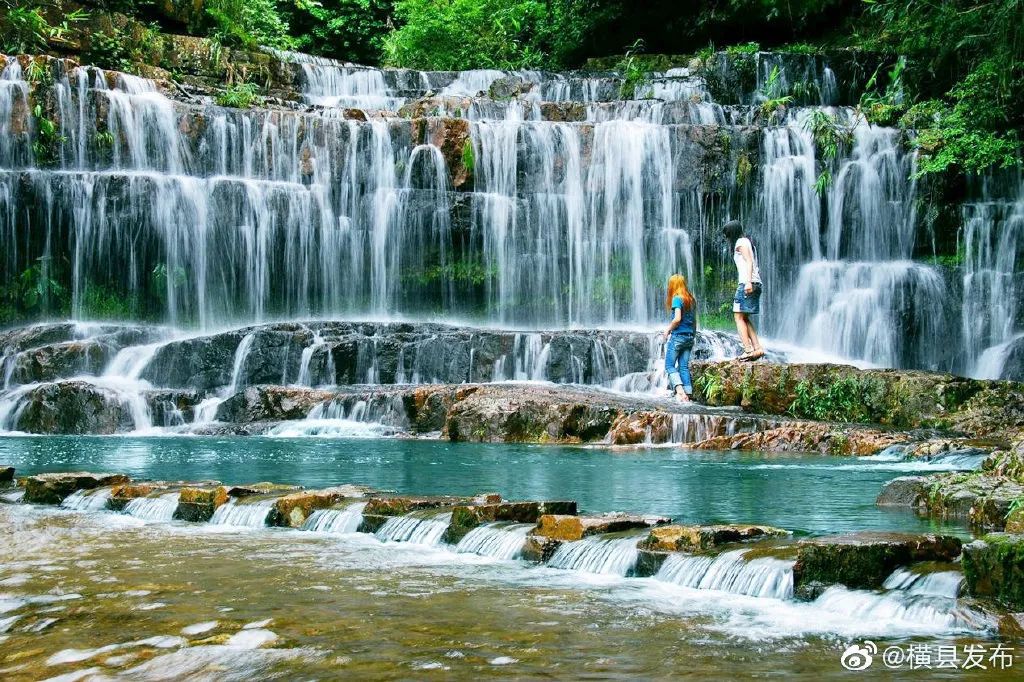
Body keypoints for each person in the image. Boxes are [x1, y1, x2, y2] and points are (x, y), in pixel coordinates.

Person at [722, 220, 764, 361]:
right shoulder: (748, 242)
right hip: (756, 282)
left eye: (727, 234)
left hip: (748, 283)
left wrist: (747, 283)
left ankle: (747, 349)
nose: (726, 238)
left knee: (738, 317)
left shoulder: (740, 243)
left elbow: (749, 262)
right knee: (744, 317)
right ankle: (757, 348)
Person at [662, 273, 697, 402]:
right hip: (689, 337)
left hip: (678, 337)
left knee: (670, 366)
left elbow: (677, 319)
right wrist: (692, 335)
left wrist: (667, 330)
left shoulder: (677, 298)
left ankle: (680, 391)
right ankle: (688, 394)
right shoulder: (691, 299)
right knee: (683, 366)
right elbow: (694, 321)